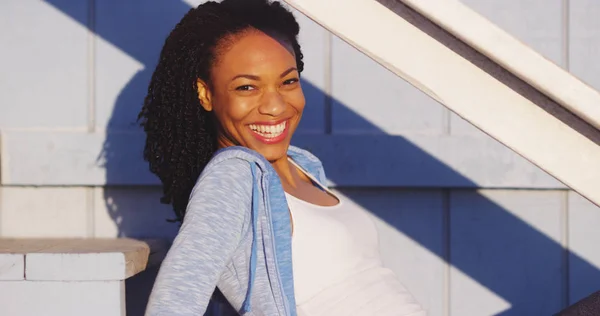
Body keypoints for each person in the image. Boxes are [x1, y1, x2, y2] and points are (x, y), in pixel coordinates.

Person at [140, 0, 426, 315]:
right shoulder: (231, 179)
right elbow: (172, 305)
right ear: (206, 94)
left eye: (288, 81)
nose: (275, 106)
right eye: (247, 87)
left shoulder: (303, 165)